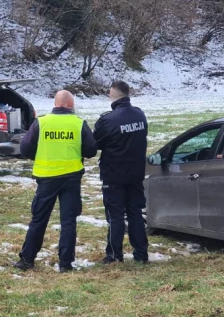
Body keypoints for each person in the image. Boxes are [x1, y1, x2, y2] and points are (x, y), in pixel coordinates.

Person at [16, 90, 98, 272]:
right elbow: (91, 150)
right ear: (69, 104)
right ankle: (65, 263)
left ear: (56, 103)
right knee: (68, 221)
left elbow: (25, 149)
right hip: (71, 178)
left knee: (39, 219)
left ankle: (27, 259)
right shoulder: (78, 124)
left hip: (46, 179)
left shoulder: (42, 122)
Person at [93, 80, 149, 264]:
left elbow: (95, 144)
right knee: (135, 214)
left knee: (115, 215)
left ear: (112, 93)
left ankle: (114, 255)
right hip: (135, 174)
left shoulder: (108, 120)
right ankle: (141, 254)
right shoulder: (140, 115)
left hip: (114, 174)